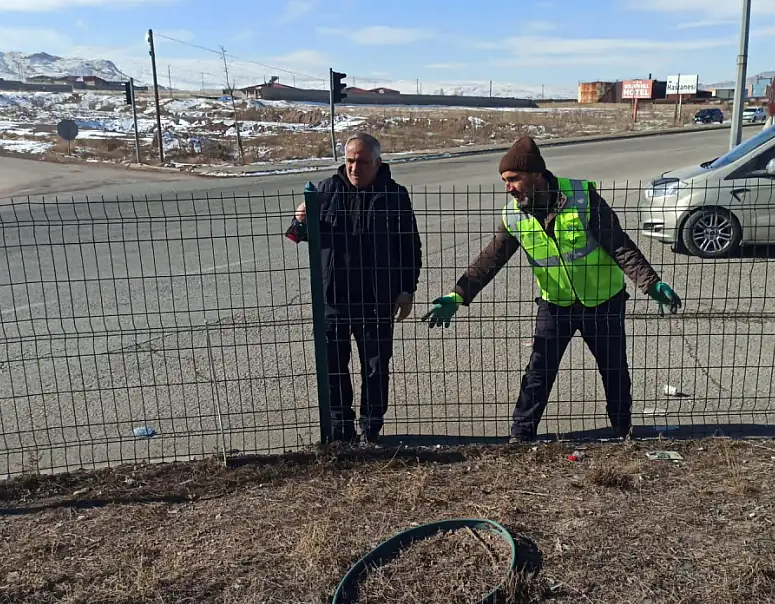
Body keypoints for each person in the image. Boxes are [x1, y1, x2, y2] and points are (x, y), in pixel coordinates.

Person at [421, 136, 681, 443]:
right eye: (505, 181)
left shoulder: (583, 198)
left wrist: (650, 282)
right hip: (555, 305)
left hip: (604, 302)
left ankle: (623, 430)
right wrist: (458, 294)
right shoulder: (515, 214)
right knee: (539, 372)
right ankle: (521, 435)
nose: (509, 187)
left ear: (536, 174)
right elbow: (490, 259)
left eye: (514, 179)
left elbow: (618, 244)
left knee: (614, 370)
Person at [288, 133, 422, 444]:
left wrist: (407, 289)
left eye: (361, 162)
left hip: (377, 299)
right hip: (334, 297)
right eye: (349, 161)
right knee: (333, 366)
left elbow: (409, 247)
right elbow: (298, 236)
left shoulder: (394, 195)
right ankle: (340, 430)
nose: (354, 168)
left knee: (375, 368)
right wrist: (300, 220)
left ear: (378, 162)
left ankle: (371, 429)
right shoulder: (325, 191)